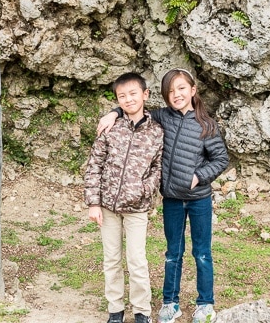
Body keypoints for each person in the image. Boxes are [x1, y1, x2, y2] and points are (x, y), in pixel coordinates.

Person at [97, 68, 229, 323]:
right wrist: (113, 112)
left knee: (202, 252)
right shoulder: (161, 117)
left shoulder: (206, 125)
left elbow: (221, 158)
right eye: (170, 91)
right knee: (173, 253)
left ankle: (205, 302)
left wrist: (198, 176)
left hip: (199, 198)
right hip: (172, 200)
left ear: (193, 90)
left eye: (181, 89)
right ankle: (170, 302)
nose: (176, 94)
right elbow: (134, 109)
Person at [85, 72, 164, 323]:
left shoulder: (156, 132)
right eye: (122, 96)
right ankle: (115, 310)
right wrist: (94, 203)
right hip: (107, 206)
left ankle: (142, 311)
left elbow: (158, 168)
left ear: (145, 94)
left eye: (133, 94)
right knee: (111, 259)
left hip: (137, 208)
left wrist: (143, 190)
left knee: (137, 260)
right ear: (117, 100)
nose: (128, 99)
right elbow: (94, 165)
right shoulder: (110, 127)